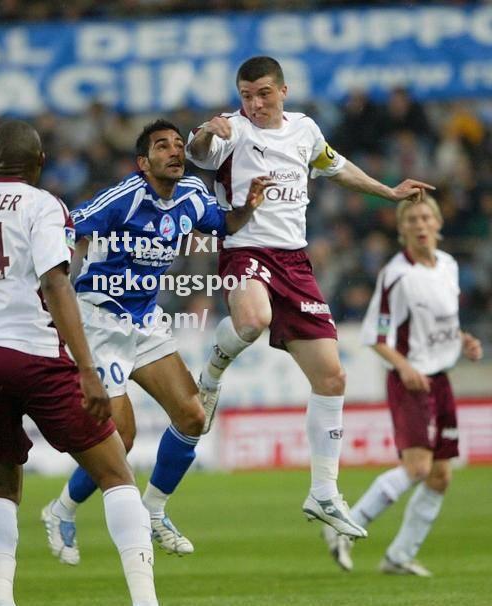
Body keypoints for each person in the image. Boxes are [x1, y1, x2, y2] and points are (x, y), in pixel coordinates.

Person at [0, 120, 159, 606]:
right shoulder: (43, 204)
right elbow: (56, 284)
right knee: (116, 474)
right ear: (39, 163)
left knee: (0, 488)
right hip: (33, 354)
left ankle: (2, 600)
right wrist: (85, 368)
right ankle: (145, 600)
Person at [186, 55, 434, 538]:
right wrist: (206, 133)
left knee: (332, 376)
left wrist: (388, 191)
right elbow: (197, 151)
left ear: (284, 91)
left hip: (295, 264)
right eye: (245, 95)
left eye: (262, 94)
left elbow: (335, 167)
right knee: (252, 320)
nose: (253, 104)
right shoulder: (228, 131)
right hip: (245, 249)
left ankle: (323, 492)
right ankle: (211, 375)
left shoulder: (305, 131)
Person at [42, 119, 271, 563]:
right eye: (162, 146)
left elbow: (222, 224)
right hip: (99, 319)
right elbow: (70, 226)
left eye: (178, 145)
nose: (175, 151)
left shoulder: (192, 195)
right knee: (121, 438)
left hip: (145, 320)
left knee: (192, 415)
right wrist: (55, 276)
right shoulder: (123, 198)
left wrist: (248, 206)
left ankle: (154, 510)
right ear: (143, 163)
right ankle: (60, 511)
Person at [323, 195, 483, 575]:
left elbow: (439, 323)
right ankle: (342, 527)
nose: (421, 224)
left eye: (427, 217)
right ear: (402, 230)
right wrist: (405, 367)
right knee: (417, 468)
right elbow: (376, 336)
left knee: (441, 476)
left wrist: (461, 339)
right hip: (409, 381)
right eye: (412, 219)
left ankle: (398, 556)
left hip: (440, 379)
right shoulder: (397, 275)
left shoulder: (448, 265)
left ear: (439, 224)